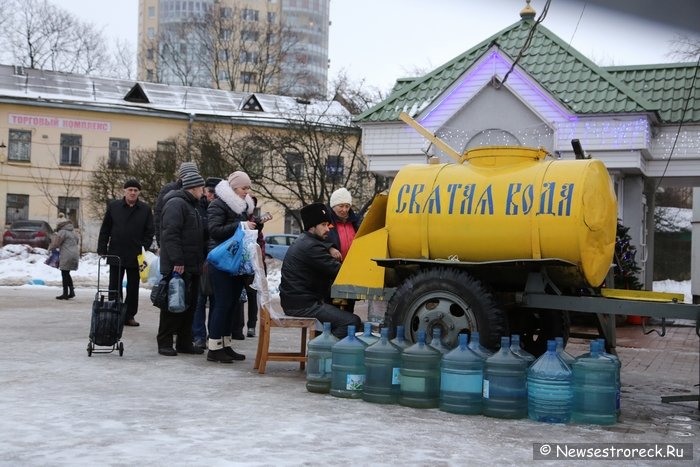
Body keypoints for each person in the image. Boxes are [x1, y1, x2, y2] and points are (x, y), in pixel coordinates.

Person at [280, 202, 362, 338]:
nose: (328, 229)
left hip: (298, 301)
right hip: (303, 305)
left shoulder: (307, 242)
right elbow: (339, 272)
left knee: (340, 315)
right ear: (312, 227)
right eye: (323, 225)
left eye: (327, 225)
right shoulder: (311, 247)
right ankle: (323, 353)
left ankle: (322, 348)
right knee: (352, 322)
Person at [206, 171, 256, 363]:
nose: (246, 191)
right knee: (222, 303)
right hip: (221, 261)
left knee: (232, 305)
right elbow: (214, 231)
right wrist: (241, 226)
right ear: (234, 188)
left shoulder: (241, 207)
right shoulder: (218, 205)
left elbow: (241, 228)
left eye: (248, 188)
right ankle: (214, 347)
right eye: (244, 188)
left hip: (236, 262)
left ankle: (225, 344)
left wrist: (251, 225)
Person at [156, 171, 206, 356]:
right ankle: (165, 342)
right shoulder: (176, 204)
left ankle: (184, 342)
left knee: (189, 305)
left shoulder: (191, 205)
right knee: (173, 304)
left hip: (191, 264)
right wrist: (177, 260)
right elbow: (170, 234)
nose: (203, 191)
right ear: (193, 187)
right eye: (201, 187)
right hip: (178, 265)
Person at [97, 179, 155, 327]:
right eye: (130, 190)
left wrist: (144, 246)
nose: (133, 192)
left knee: (133, 287)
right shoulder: (114, 207)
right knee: (114, 286)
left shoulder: (145, 209)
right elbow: (105, 229)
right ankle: (115, 314)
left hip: (136, 255)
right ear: (124, 191)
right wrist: (102, 248)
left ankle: (129, 315)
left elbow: (150, 231)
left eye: (136, 190)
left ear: (139, 192)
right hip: (116, 252)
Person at [192, 177, 221, 349]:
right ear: (205, 191)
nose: (212, 195)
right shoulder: (197, 208)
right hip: (200, 259)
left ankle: (213, 335)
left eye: (216, 193)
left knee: (216, 300)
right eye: (210, 191)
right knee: (199, 300)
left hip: (217, 260)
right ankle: (198, 335)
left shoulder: (223, 209)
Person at [326, 187, 362, 312]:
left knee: (348, 307)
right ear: (333, 205)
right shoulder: (326, 222)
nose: (344, 210)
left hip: (350, 270)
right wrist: (330, 248)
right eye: (341, 206)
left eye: (347, 206)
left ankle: (347, 330)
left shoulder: (355, 222)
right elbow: (318, 239)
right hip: (332, 271)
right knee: (332, 307)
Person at [154, 161, 198, 247]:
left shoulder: (197, 190)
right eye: (188, 175)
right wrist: (160, 242)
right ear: (181, 176)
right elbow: (158, 215)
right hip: (172, 239)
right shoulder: (168, 189)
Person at [49, 213, 80, 300]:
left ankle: (65, 293)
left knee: (64, 273)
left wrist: (50, 248)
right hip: (74, 254)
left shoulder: (62, 232)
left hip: (66, 254)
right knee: (67, 273)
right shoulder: (74, 232)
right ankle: (71, 291)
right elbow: (77, 242)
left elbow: (56, 243)